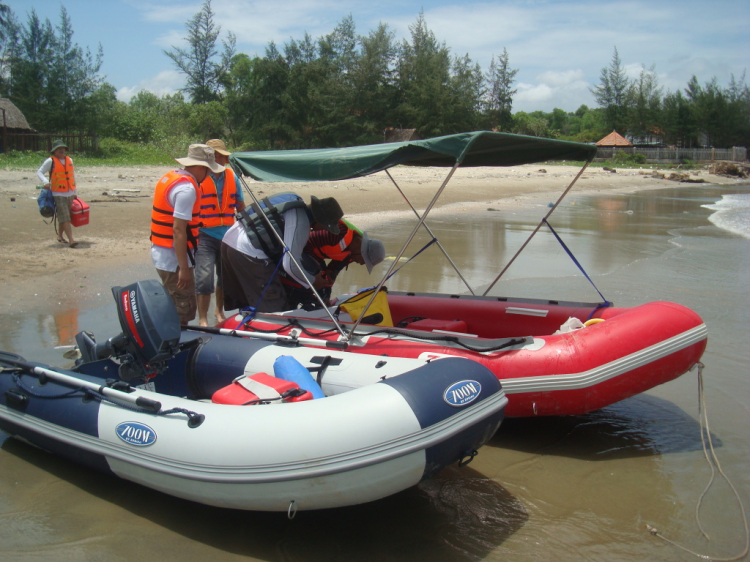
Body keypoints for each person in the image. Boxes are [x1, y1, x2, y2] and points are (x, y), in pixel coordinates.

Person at [221, 193, 344, 313]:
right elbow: (290, 264)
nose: (324, 230)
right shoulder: (301, 222)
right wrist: (312, 281)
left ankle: (244, 326)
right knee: (273, 305)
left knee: (246, 300)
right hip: (248, 252)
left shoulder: (292, 200)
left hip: (229, 241)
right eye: (326, 226)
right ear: (319, 221)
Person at [150, 144, 224, 325]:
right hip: (173, 259)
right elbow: (178, 229)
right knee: (183, 308)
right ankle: (177, 345)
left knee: (174, 302)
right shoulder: (187, 190)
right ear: (200, 167)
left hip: (161, 253)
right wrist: (183, 268)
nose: (209, 174)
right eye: (208, 170)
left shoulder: (171, 177)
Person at [195, 139, 246, 326]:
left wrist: (249, 227)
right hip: (204, 234)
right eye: (215, 156)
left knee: (224, 277)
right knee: (204, 277)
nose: (219, 159)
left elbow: (240, 206)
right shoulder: (199, 176)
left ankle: (219, 311)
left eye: (221, 156)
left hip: (228, 235)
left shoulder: (232, 176)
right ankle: (202, 319)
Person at [282, 219, 386, 309]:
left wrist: (327, 295)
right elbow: (304, 242)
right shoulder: (337, 234)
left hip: (313, 255)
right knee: (315, 274)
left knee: (321, 281)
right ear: (361, 250)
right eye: (365, 261)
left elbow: (332, 272)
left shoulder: (351, 254)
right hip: (293, 246)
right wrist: (316, 274)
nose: (362, 264)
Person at [36, 140, 79, 248]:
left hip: (69, 193)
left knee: (64, 216)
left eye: (63, 148)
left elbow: (72, 176)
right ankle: (71, 240)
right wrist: (45, 182)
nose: (61, 150)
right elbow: (39, 172)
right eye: (58, 149)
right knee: (65, 217)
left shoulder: (69, 160)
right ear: (54, 151)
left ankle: (60, 236)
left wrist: (74, 192)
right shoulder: (50, 161)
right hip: (58, 193)